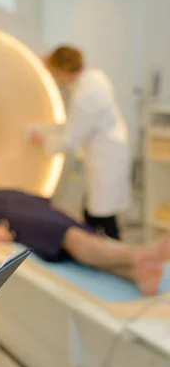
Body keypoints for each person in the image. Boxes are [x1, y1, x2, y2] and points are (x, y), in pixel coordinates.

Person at [0, 175, 170, 296]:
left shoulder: (8, 190)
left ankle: (137, 273)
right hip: (26, 221)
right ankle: (143, 253)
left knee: (87, 244)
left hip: (49, 215)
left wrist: (71, 216)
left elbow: (48, 204)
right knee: (73, 239)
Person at [31, 45, 131, 240]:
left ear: (61, 71)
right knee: (97, 209)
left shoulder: (84, 97)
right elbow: (75, 125)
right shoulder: (95, 77)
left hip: (105, 156)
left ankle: (113, 254)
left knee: (101, 213)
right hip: (110, 150)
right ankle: (103, 249)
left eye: (54, 72)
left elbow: (70, 138)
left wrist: (44, 140)